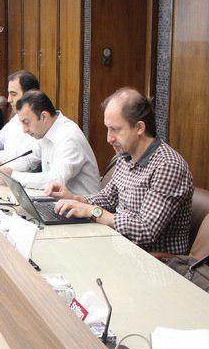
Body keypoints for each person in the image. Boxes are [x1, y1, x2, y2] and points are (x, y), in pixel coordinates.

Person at [50, 88, 193, 254]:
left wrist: (92, 211)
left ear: (139, 128)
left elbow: (146, 229)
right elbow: (108, 198)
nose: (109, 138)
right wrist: (76, 199)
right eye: (107, 129)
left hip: (152, 260)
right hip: (120, 246)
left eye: (115, 129)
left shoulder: (168, 166)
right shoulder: (125, 155)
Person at [0, 90, 100, 196]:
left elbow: (55, 180)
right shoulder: (45, 131)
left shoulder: (69, 137)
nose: (24, 130)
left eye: (26, 122)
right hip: (59, 202)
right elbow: (29, 158)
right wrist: (4, 169)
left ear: (44, 117)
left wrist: (13, 176)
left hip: (82, 204)